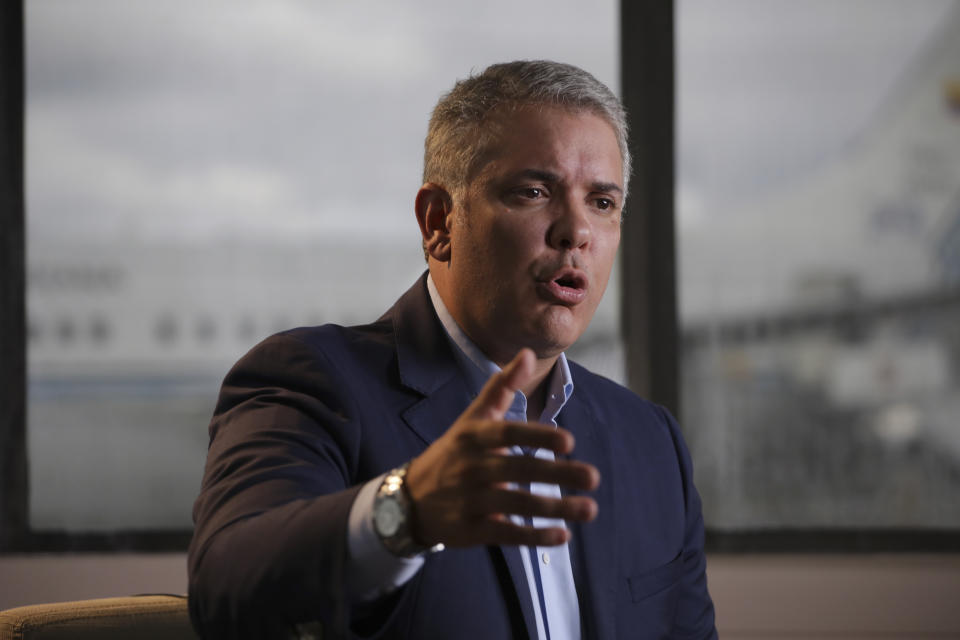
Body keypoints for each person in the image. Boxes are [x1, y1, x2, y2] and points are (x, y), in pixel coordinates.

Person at [188, 60, 716, 640]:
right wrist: (406, 511)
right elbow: (226, 583)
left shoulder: (651, 442)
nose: (576, 231)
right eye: (534, 192)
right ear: (439, 221)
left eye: (602, 202)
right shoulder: (313, 381)